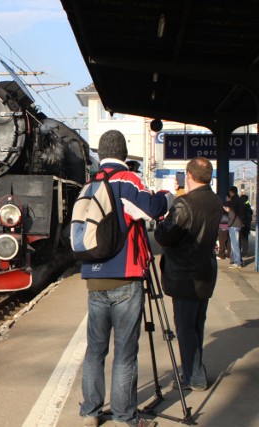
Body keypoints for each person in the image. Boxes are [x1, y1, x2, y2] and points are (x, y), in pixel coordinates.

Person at [78, 130, 172, 427]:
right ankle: (124, 417)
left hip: (94, 279)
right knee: (125, 354)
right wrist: (167, 194)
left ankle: (90, 413)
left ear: (101, 152)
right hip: (126, 279)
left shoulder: (88, 185)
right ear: (123, 152)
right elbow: (153, 209)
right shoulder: (127, 180)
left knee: (95, 350)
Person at [154, 157, 222, 392]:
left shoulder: (184, 204)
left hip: (184, 278)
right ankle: (197, 371)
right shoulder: (215, 201)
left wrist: (160, 220)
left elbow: (164, 236)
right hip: (205, 274)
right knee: (196, 326)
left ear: (189, 176)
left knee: (184, 329)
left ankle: (193, 377)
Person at [224, 186, 244, 269]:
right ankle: (238, 261)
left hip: (234, 225)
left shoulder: (233, 201)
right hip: (238, 224)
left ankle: (237, 262)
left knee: (234, 244)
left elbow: (232, 213)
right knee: (235, 244)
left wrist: (229, 223)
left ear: (231, 192)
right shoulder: (238, 200)